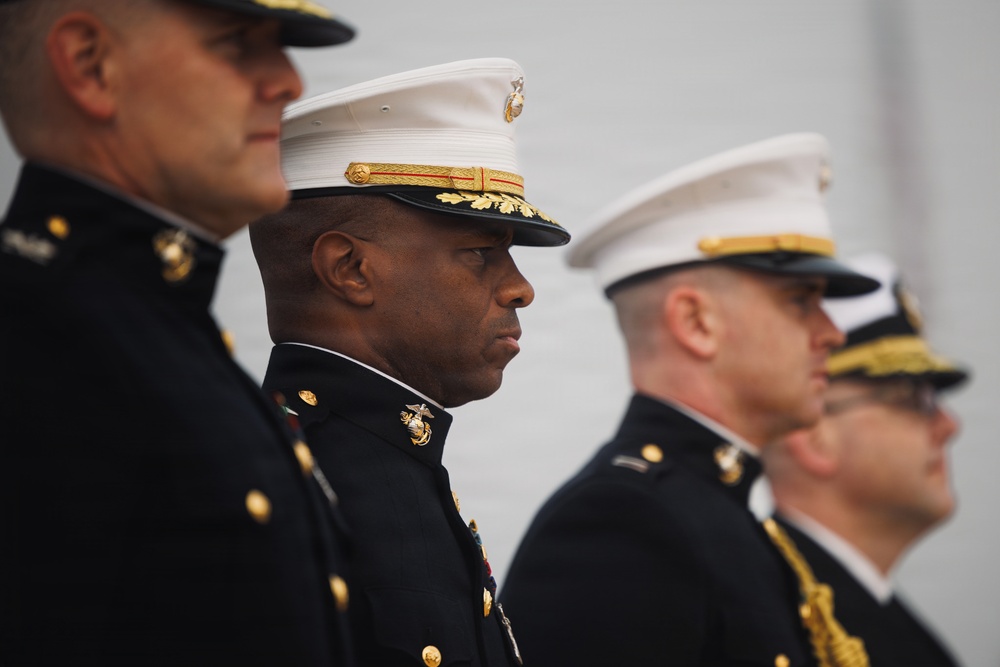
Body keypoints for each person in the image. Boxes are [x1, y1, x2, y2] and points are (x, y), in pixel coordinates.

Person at [0, 1, 357, 665]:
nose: (288, 81)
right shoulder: (34, 337)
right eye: (236, 42)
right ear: (91, 65)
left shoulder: (144, 329)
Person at [501, 134, 881, 667]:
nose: (832, 333)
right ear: (695, 323)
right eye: (800, 301)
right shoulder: (626, 524)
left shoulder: (711, 515)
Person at [248, 58, 569, 667]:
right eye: (479, 253)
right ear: (351, 269)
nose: (521, 287)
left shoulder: (395, 468)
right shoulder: (268, 485)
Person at [762, 252, 967, 666]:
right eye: (914, 399)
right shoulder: (778, 626)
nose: (949, 425)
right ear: (813, 434)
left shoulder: (862, 614)